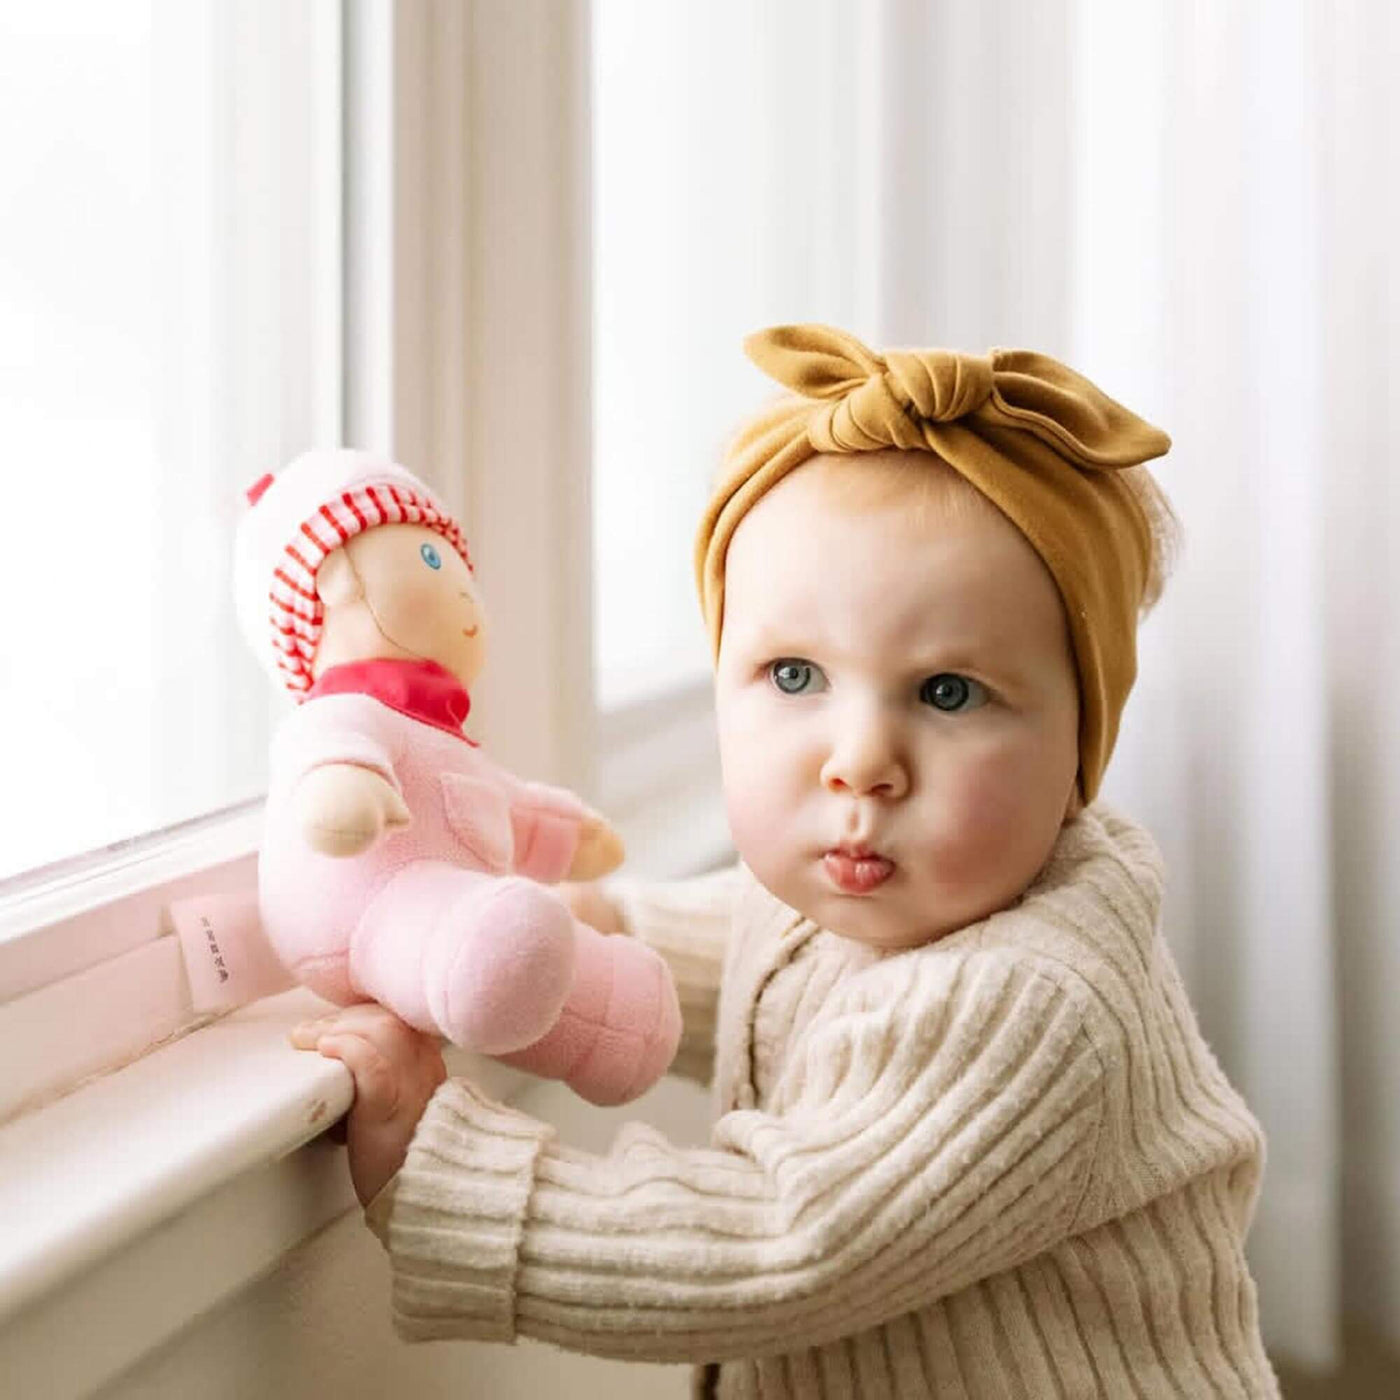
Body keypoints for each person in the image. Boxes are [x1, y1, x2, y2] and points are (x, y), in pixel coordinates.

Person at [291, 323, 1282, 1397]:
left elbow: (778, 1239)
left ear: (1079, 743)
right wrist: (601, 920)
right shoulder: (874, 890)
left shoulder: (1033, 1002)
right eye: (794, 674)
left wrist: (444, 1171)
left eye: (947, 692)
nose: (857, 763)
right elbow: (762, 948)